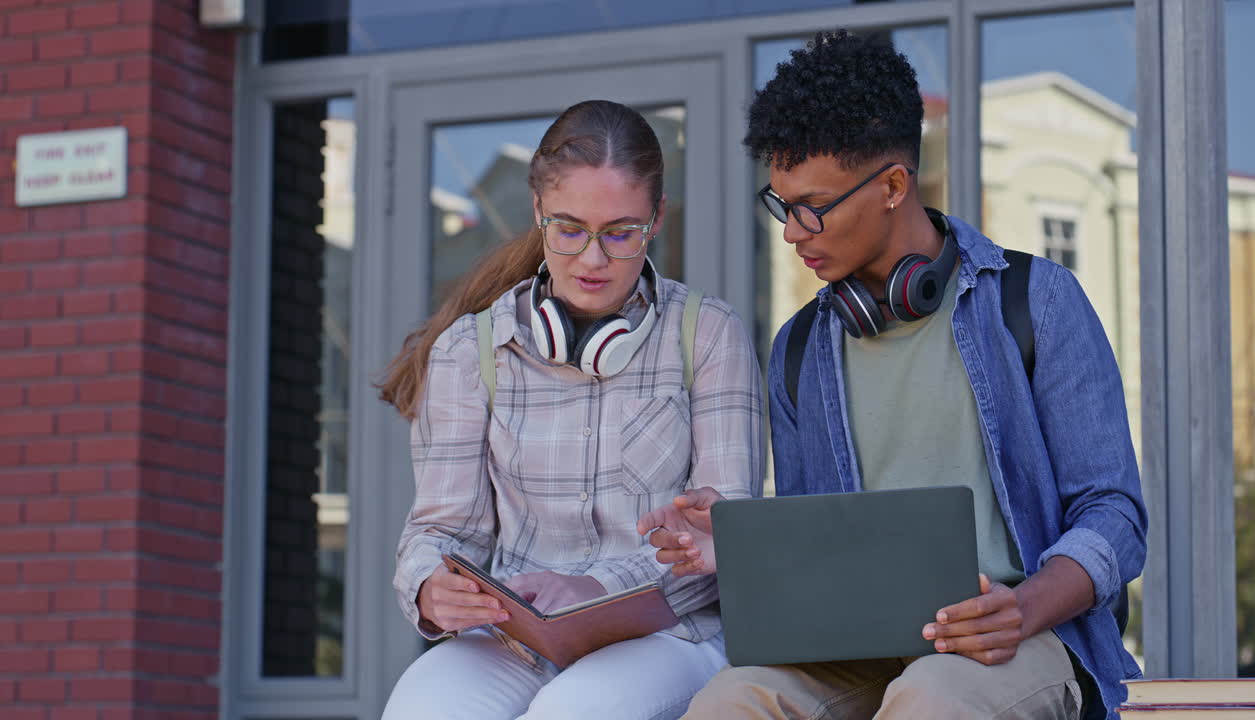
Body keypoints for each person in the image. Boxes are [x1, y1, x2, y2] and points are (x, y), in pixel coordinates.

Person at [639, 31, 1146, 720]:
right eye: (782, 205)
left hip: (1020, 639)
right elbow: (818, 550)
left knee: (931, 698)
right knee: (728, 702)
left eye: (813, 205)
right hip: (861, 651)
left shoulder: (1039, 301)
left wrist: (1021, 606)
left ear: (892, 186)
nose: (793, 231)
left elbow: (1115, 517)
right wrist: (734, 552)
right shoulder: (798, 350)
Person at [376, 99, 764, 720]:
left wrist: (591, 590)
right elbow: (440, 530)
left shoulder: (708, 335)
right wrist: (430, 588)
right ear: (537, 211)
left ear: (656, 219)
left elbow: (724, 541)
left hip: (668, 632)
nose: (592, 258)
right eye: (570, 229)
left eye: (620, 232)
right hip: (516, 638)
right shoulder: (468, 351)